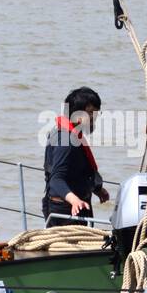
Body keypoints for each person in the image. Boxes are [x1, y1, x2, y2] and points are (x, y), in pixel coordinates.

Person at [43, 86, 108, 224]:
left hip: (76, 206)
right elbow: (56, 180)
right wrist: (75, 200)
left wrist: (97, 189)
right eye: (91, 113)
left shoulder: (72, 136)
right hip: (65, 211)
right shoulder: (65, 140)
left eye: (96, 113)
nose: (94, 118)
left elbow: (76, 170)